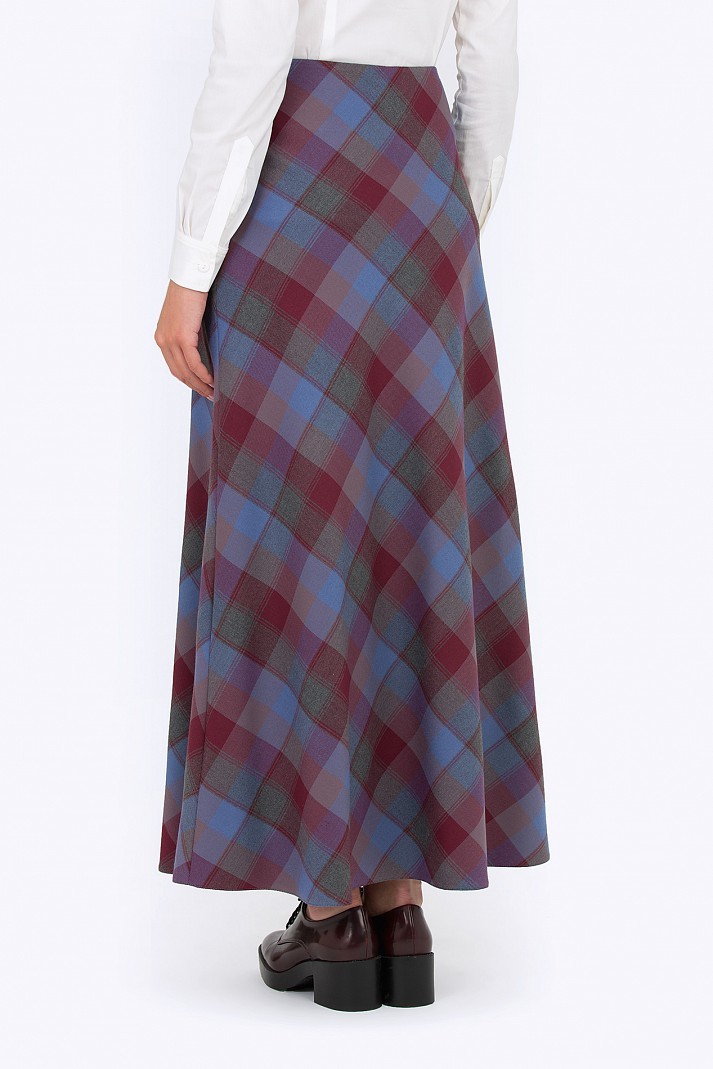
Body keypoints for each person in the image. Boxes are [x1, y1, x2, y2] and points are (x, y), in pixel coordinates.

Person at [154, 0, 549, 1013]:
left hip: (302, 191)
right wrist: (447, 224)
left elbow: (249, 63)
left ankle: (329, 914)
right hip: (418, 196)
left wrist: (189, 268)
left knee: (300, 536)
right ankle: (399, 908)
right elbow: (491, 62)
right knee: (411, 531)